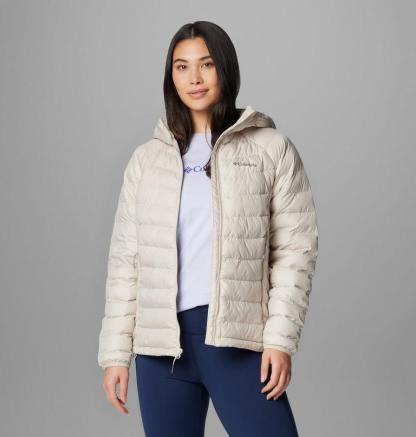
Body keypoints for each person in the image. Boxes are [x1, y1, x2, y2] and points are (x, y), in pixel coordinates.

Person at [98, 21, 318, 437]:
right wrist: (115, 354)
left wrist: (280, 340)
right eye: (181, 67)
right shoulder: (146, 160)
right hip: (160, 350)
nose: (194, 78)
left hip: (237, 340)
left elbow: (295, 253)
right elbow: (126, 260)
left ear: (225, 69)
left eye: (207, 64)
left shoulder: (270, 148)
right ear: (171, 77)